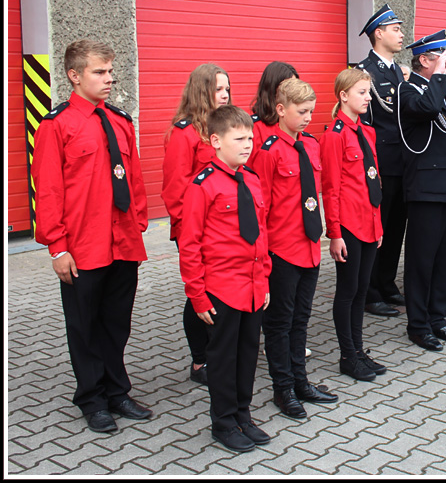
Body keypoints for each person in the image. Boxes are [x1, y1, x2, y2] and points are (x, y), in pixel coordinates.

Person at [33, 39, 151, 434]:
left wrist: (139, 222)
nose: (108, 79)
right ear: (74, 75)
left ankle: (117, 391)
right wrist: (58, 246)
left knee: (117, 324)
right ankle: (92, 398)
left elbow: (133, 179)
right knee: (84, 327)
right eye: (99, 72)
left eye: (110, 71)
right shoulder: (57, 125)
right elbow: (48, 189)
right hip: (82, 247)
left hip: (122, 243)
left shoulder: (119, 120)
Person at [179, 105, 271, 453]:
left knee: (248, 354)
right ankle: (223, 422)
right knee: (223, 358)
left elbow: (261, 236)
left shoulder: (252, 180)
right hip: (221, 289)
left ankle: (243, 415)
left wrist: (263, 282)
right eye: (239, 139)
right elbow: (189, 245)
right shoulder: (203, 186)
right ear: (215, 141)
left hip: (251, 287)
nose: (248, 145)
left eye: (250, 138)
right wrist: (198, 296)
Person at [249, 77, 339, 421]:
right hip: (282, 250)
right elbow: (262, 207)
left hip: (310, 246)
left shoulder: (311, 146)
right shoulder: (269, 152)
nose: (307, 117)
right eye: (301, 112)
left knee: (301, 320)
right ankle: (282, 388)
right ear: (281, 109)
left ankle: (300, 381)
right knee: (279, 324)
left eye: (311, 112)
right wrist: (263, 257)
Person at [398, 30, 446, 350]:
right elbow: (426, 108)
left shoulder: (440, 90)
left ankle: (438, 319)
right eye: (443, 57)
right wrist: (439, 79)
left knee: (444, 261)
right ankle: (417, 325)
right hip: (426, 189)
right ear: (425, 60)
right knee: (422, 261)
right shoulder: (408, 89)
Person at [162, 63, 231, 387]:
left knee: (220, 292)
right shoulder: (185, 133)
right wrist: (192, 232)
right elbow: (175, 191)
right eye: (219, 89)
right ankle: (199, 359)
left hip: (224, 232)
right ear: (202, 91)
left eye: (227, 88)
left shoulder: (221, 129)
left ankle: (218, 350)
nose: (226, 94)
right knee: (199, 294)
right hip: (196, 231)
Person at [320, 69, 385, 380]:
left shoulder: (367, 132)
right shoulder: (334, 135)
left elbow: (374, 181)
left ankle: (359, 350)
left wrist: (380, 224)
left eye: (368, 92)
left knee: (362, 290)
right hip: (348, 226)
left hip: (369, 222)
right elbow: (330, 188)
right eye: (362, 92)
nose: (368, 97)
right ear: (343, 95)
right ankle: (347, 355)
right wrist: (334, 233)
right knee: (347, 290)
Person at [356, 4, 407, 318]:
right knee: (379, 228)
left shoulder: (395, 70)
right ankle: (370, 291)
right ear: (379, 33)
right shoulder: (364, 71)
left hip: (402, 161)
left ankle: (387, 283)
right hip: (380, 162)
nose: (401, 35)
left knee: (397, 227)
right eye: (396, 29)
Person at [250, 61, 301, 147]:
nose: (294, 92)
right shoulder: (253, 128)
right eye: (290, 87)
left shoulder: (295, 122)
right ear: (273, 89)